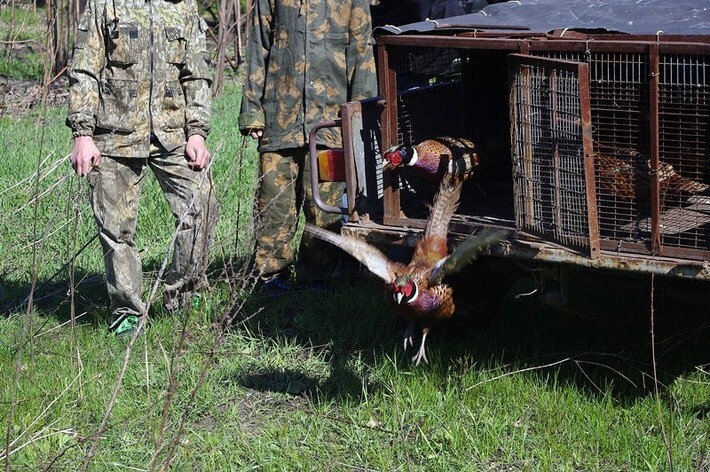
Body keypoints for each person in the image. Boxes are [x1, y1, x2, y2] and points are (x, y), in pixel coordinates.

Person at [66, 0, 217, 336]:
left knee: (202, 206)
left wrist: (197, 133)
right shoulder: (105, 4)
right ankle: (128, 311)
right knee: (116, 229)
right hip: (114, 132)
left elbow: (196, 74)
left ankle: (182, 296)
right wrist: (83, 134)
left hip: (172, 133)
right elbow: (85, 69)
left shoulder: (182, 7)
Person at [239, 0, 378, 288]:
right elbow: (258, 45)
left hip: (329, 122)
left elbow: (361, 52)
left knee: (325, 208)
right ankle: (271, 276)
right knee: (273, 203)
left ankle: (316, 273)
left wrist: (362, 115)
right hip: (279, 117)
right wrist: (252, 110)